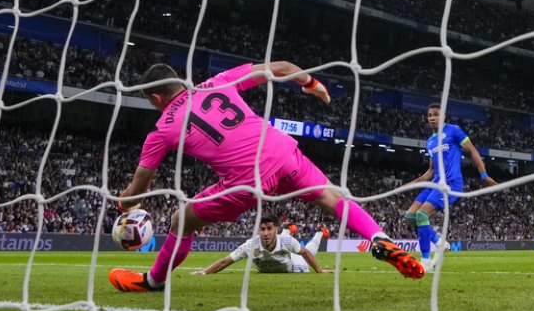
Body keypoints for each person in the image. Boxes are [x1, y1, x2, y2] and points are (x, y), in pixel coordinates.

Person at [109, 61, 424, 292]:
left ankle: (154, 281)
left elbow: (139, 188)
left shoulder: (163, 128)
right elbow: (283, 67)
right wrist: (311, 83)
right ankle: (380, 239)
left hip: (247, 180)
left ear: (155, 99)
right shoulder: (218, 82)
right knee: (332, 198)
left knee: (181, 219)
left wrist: (123, 207)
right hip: (281, 150)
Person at [403, 103, 496, 271]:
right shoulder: (430, 142)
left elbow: (473, 151)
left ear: (443, 116)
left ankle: (425, 262)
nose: (432, 117)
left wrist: (484, 175)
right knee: (410, 216)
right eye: (430, 115)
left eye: (436, 114)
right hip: (434, 183)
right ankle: (440, 244)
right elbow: (430, 171)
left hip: (450, 184)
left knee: (422, 215)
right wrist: (409, 185)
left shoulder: (453, 131)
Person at [191, 215, 332, 275]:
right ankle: (289, 228)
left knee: (309, 250)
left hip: (295, 266)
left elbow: (306, 254)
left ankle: (319, 233)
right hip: (282, 241)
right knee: (284, 240)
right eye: (262, 229)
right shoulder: (251, 245)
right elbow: (225, 261)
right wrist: (204, 272)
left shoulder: (286, 241)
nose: (265, 233)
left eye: (269, 229)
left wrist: (319, 271)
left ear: (275, 229)